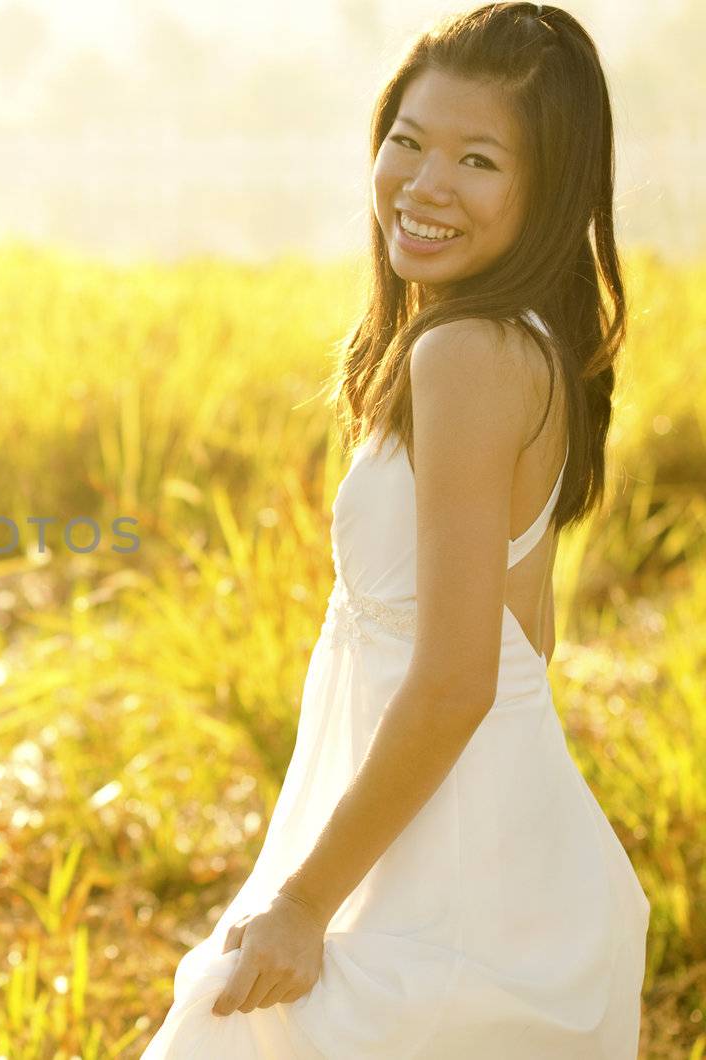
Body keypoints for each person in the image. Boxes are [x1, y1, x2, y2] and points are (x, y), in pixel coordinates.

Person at [139, 4, 649, 1057]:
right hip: (475, 836)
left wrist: (306, 900)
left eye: (477, 159)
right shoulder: (528, 347)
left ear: (547, 189)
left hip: (448, 864)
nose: (423, 183)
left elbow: (461, 676)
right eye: (407, 141)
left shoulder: (463, 356)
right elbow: (526, 638)